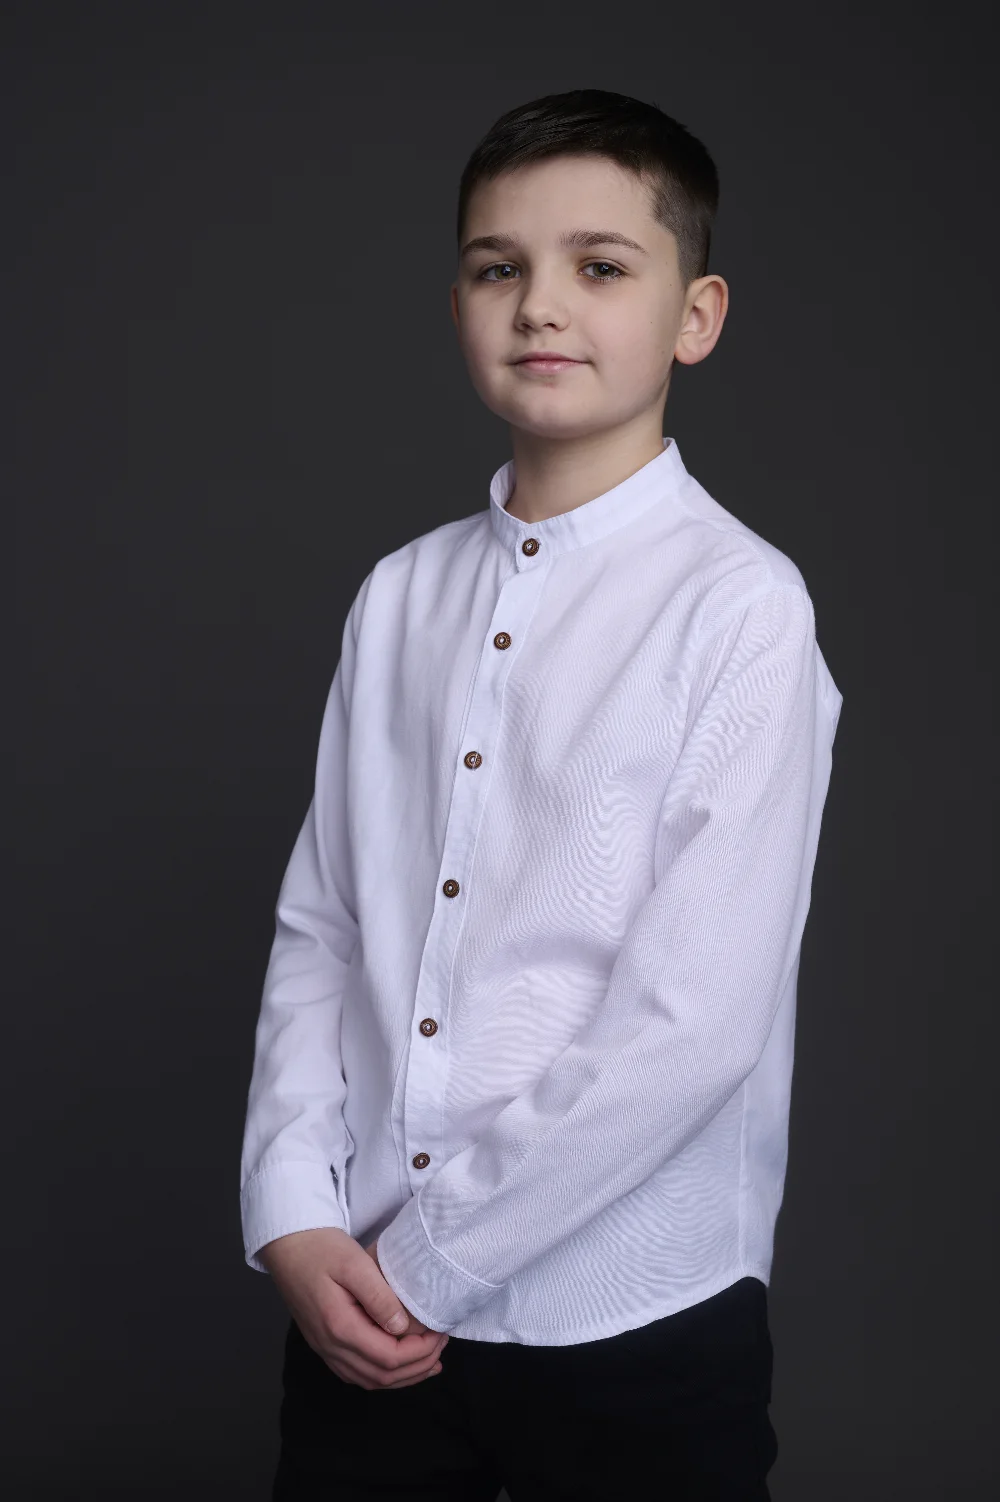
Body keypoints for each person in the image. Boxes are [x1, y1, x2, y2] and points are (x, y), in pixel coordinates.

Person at [239, 86, 844, 1501]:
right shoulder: (399, 593)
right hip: (356, 1305)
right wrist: (291, 1212)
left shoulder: (743, 607)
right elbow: (325, 925)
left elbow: (693, 1022)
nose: (540, 306)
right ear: (458, 300)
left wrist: (429, 1257)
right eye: (497, 266)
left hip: (632, 1319)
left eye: (601, 265)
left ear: (696, 316)